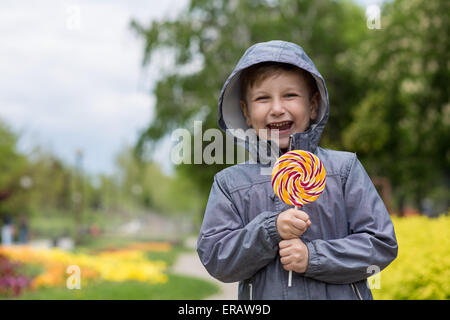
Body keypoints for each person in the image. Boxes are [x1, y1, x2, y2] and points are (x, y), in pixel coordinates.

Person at [197, 40, 398, 300]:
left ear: (313, 105)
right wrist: (270, 230)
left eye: (290, 95)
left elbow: (381, 244)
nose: (277, 108)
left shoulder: (344, 170)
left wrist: (313, 257)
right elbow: (216, 257)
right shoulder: (230, 184)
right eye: (262, 98)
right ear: (246, 112)